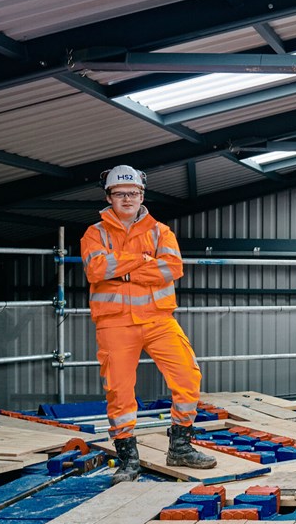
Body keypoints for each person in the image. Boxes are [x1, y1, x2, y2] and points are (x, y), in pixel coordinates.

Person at [81, 164, 216, 483]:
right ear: (109, 196)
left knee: (188, 375)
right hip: (115, 324)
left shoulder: (160, 232)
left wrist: (123, 270)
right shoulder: (95, 233)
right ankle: (129, 459)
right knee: (119, 391)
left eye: (134, 193)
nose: (127, 199)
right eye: (120, 193)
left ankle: (180, 448)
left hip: (158, 320)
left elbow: (172, 269)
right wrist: (142, 261)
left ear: (142, 195)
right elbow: (96, 269)